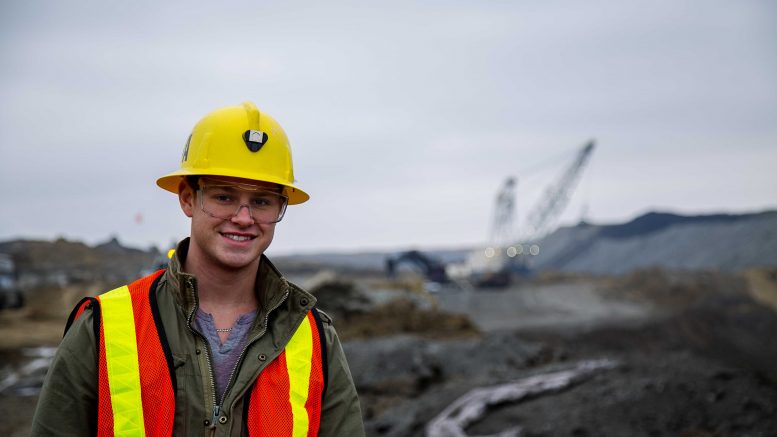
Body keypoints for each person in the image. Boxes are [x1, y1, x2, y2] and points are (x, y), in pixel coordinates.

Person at [31, 102, 365, 436]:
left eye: (262, 201)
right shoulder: (103, 327)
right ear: (188, 198)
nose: (244, 218)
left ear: (280, 207)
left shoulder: (314, 337)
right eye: (224, 197)